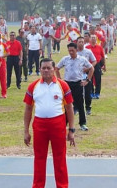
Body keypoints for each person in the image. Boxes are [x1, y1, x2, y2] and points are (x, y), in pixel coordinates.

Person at [23, 57, 75, 188]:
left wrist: (71, 130)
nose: (46, 70)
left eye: (49, 68)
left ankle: (62, 185)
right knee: (39, 158)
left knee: (60, 158)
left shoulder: (63, 85)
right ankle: (38, 185)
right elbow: (28, 109)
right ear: (39, 69)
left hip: (58, 125)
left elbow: (69, 107)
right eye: (43, 68)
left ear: (54, 69)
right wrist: (26, 131)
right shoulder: (33, 86)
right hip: (39, 125)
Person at [55, 42, 94, 131]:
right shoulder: (65, 59)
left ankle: (83, 123)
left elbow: (91, 68)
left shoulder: (82, 59)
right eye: (69, 51)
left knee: (80, 104)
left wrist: (87, 80)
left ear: (76, 50)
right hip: (67, 84)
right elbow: (57, 68)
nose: (71, 52)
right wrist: (59, 79)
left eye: (72, 50)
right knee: (66, 104)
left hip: (78, 84)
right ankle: (64, 123)